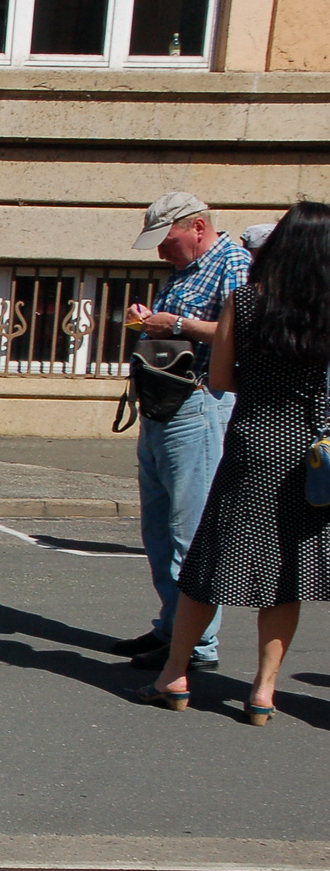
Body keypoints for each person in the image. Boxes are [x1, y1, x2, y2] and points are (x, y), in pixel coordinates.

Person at [134, 201, 330, 724]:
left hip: (251, 440)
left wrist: (264, 387)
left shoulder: (246, 302)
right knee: (287, 574)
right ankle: (263, 691)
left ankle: (174, 675)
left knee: (208, 563)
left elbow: (219, 379)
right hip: (307, 452)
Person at [114, 192, 251, 671]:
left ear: (196, 226)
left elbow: (243, 335)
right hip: (163, 404)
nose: (160, 250)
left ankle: (197, 645)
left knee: (187, 530)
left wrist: (179, 324)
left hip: (199, 404)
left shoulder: (233, 263)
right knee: (157, 528)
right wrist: (150, 323)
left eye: (166, 238)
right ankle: (172, 628)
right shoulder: (184, 269)